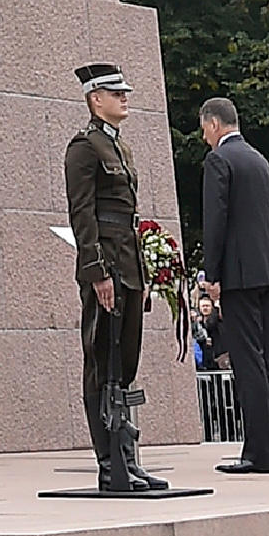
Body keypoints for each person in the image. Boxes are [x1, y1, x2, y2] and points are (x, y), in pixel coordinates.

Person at [65, 63, 168, 496]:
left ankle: (127, 459)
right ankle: (109, 465)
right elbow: (83, 215)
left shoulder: (119, 146)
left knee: (124, 365)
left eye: (123, 92)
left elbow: (128, 217)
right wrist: (97, 273)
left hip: (127, 267)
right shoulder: (84, 147)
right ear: (95, 99)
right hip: (107, 267)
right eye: (115, 93)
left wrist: (138, 274)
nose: (124, 98)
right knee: (101, 363)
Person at [194, 98, 269, 473]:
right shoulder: (260, 161)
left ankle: (257, 453)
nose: (204, 137)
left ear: (215, 124)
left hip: (239, 276)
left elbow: (216, 221)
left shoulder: (219, 160)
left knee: (248, 364)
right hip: (267, 272)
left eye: (204, 129)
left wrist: (212, 275)